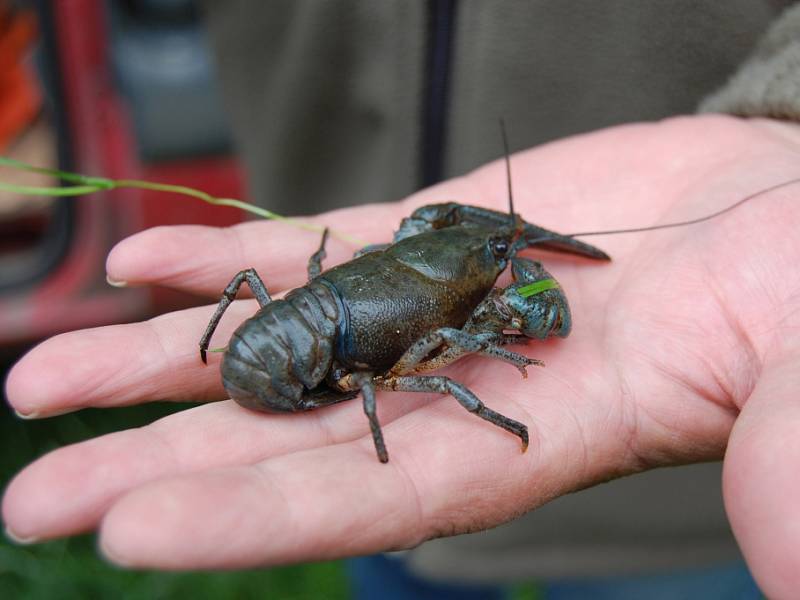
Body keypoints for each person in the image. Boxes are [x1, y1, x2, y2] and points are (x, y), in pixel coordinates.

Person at [4, 3, 800, 600]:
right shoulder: (456, 312)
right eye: (501, 255)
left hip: (650, 539)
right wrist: (494, 341)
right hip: (289, 368)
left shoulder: (416, 242)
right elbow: (495, 339)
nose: (503, 261)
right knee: (453, 379)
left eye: (498, 256)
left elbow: (429, 233)